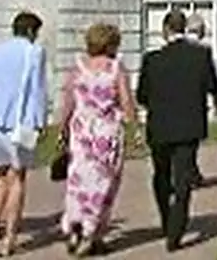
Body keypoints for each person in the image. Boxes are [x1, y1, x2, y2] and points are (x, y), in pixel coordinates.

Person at [136, 9, 217, 252]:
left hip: (160, 125)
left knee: (161, 175)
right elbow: (212, 85)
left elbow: (142, 95)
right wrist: (215, 104)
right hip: (189, 124)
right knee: (183, 177)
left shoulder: (152, 59)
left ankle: (167, 219)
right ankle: (177, 227)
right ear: (183, 28)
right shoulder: (201, 55)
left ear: (165, 30)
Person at [55, 22, 137, 257]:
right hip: (107, 132)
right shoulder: (115, 68)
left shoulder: (78, 67)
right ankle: (93, 232)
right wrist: (135, 128)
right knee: (104, 183)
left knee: (78, 181)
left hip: (82, 131)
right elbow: (127, 102)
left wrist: (62, 129)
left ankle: (75, 225)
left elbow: (68, 101)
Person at [0, 10, 48, 257]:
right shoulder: (35, 53)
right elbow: (38, 90)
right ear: (30, 31)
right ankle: (9, 238)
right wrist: (40, 121)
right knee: (17, 178)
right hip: (21, 123)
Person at [182, 13, 210, 189]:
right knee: (191, 142)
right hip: (195, 100)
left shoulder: (176, 46)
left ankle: (190, 171)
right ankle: (190, 172)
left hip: (176, 99)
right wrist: (216, 98)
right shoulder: (203, 51)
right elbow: (209, 79)